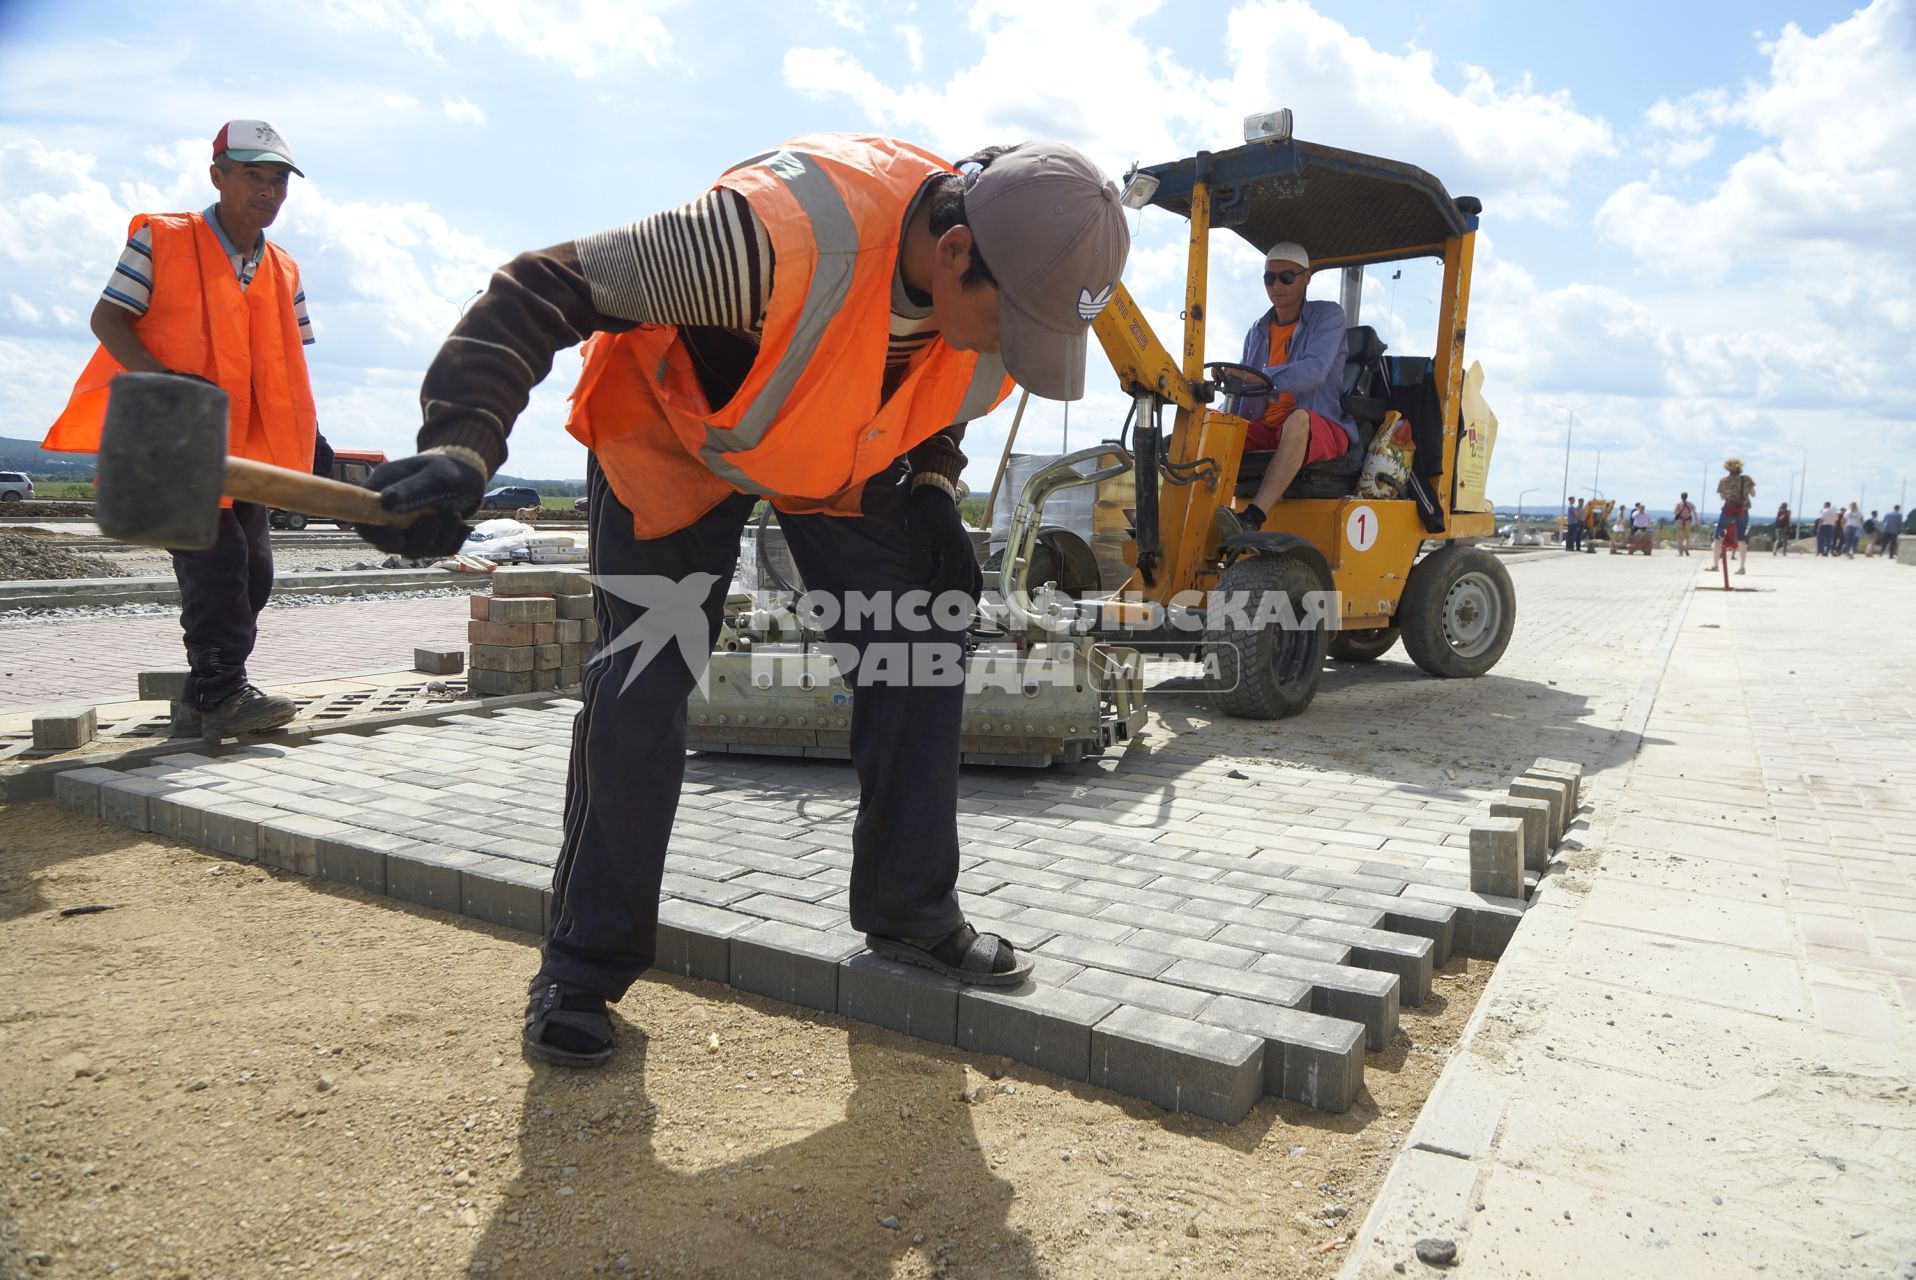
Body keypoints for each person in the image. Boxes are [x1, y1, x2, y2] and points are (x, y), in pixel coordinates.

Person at [350, 135, 1129, 1066]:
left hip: (827, 451)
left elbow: (945, 392)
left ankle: (909, 911)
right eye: (1010, 326)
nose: (1012, 351)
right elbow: (541, 284)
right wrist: (465, 445)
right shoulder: (766, 244)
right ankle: (583, 964)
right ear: (955, 251)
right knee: (645, 681)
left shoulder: (1003, 293)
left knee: (923, 642)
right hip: (675, 436)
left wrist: (929, 482)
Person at [44, 120, 327, 736]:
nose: (269, 191)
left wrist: (313, 439)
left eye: (279, 179)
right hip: (175, 440)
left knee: (255, 572)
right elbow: (108, 318)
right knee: (217, 562)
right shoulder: (162, 239)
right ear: (217, 176)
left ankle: (207, 692)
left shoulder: (284, 268)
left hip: (249, 449)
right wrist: (165, 384)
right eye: (253, 175)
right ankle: (224, 693)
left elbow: (289, 356)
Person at [1223, 243, 1357, 530]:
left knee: (1298, 420)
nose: (1276, 285)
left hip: (1319, 425)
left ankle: (1253, 517)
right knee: (1210, 423)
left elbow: (1314, 371)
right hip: (1268, 428)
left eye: (1286, 277)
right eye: (1269, 278)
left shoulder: (1328, 316)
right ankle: (1200, 513)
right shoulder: (1256, 331)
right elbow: (1245, 383)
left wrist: (1261, 377)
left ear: (1306, 277)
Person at [1712, 459, 1754, 575]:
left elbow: (1722, 497)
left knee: (1718, 537)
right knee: (1741, 538)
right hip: (1743, 510)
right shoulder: (1746, 479)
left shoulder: (1723, 481)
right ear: (1740, 468)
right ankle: (1742, 567)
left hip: (1728, 510)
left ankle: (1715, 565)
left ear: (1727, 468)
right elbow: (1753, 494)